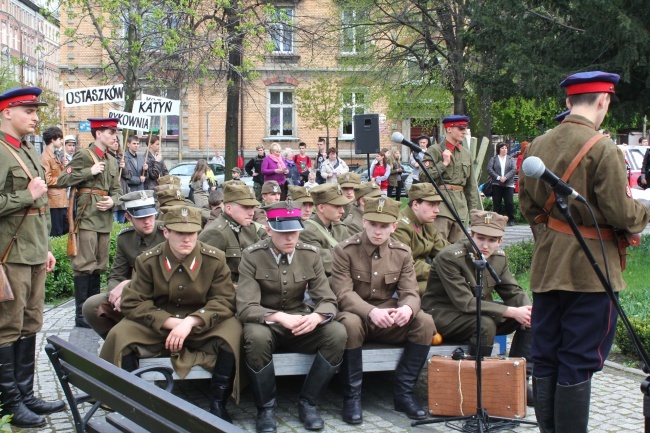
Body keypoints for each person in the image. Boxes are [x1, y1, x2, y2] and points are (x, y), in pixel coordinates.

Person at [519, 71, 650, 433]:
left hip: (547, 268)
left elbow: (528, 207)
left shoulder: (538, 145)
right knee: (578, 360)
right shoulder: (601, 147)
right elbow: (621, 213)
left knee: (546, 358)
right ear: (603, 101)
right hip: (591, 273)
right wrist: (644, 212)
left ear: (568, 102)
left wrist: (552, 237)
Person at [99, 205, 242, 422]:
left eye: (191, 233)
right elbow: (133, 302)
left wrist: (190, 322)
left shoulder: (214, 258)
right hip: (160, 323)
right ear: (166, 232)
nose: (187, 239)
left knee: (232, 331)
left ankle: (218, 402)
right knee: (120, 335)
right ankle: (133, 402)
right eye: (180, 233)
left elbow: (224, 300)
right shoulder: (148, 260)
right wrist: (169, 322)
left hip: (200, 324)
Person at [237, 201, 347, 432]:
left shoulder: (310, 255)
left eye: (294, 232)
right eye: (283, 232)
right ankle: (265, 409)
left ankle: (309, 403)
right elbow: (246, 307)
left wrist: (317, 317)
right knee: (255, 336)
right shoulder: (252, 256)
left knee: (336, 332)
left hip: (300, 321)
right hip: (267, 322)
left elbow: (327, 299)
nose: (290, 238)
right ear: (269, 230)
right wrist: (278, 317)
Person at [331, 197, 435, 423]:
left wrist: (407, 309)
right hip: (357, 316)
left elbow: (410, 291)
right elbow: (343, 294)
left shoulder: (402, 252)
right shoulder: (344, 250)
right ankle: (352, 397)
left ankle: (404, 394)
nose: (378, 231)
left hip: (388, 318)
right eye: (374, 224)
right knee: (348, 323)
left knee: (424, 322)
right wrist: (371, 312)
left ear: (394, 227)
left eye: (385, 226)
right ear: (364, 222)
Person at [0, 87, 65, 428]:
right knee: (8, 328)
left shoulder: (25, 149)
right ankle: (10, 403)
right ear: (7, 112)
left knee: (30, 325)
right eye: (28, 110)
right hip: (9, 257)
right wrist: (26, 195)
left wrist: (45, 248)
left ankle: (26, 395)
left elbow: (36, 210)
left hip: (33, 254)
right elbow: (25, 200)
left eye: (35, 110)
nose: (36, 116)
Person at [422, 210, 533, 402]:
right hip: (442, 315)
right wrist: (513, 311)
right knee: (486, 324)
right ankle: (475, 385)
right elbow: (465, 302)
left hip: (477, 313)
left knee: (530, 318)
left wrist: (527, 311)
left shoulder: (498, 258)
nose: (485, 245)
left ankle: (519, 381)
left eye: (492, 240)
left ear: (500, 241)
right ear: (470, 235)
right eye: (480, 238)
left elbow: (513, 291)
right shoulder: (450, 257)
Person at [58, 118, 123, 328]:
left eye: (115, 132)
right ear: (98, 134)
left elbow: (117, 190)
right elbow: (62, 180)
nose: (114, 136)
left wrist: (113, 200)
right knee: (84, 265)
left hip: (104, 219)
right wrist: (89, 172)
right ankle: (81, 315)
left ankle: (93, 311)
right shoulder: (84, 155)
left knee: (99, 265)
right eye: (109, 132)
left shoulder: (112, 161)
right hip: (86, 218)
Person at [82, 190, 165, 339]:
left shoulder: (167, 234)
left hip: (165, 294)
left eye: (150, 215)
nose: (147, 221)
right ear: (128, 217)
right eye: (141, 217)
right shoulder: (125, 238)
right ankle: (117, 342)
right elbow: (116, 275)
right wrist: (117, 296)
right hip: (136, 295)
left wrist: (129, 285)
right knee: (92, 306)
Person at [420, 115, 479, 243]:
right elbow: (423, 177)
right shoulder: (434, 150)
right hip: (441, 206)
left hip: (460, 208)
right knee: (438, 247)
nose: (464, 131)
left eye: (465, 128)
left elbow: (471, 186)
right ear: (449, 129)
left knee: (458, 251)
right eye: (460, 128)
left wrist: (474, 212)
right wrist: (444, 164)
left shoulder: (466, 153)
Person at [198, 183, 266, 283]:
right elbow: (205, 277)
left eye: (253, 207)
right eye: (246, 207)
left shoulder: (250, 227)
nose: (251, 213)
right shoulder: (216, 233)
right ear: (229, 209)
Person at [392, 183, 448, 294]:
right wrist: (439, 271)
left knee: (458, 284)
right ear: (416, 204)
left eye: (437, 205)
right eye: (432, 205)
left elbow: (442, 249)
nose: (437, 210)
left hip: (420, 276)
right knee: (448, 289)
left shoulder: (426, 223)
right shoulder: (401, 226)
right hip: (402, 281)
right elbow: (406, 266)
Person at [299, 183, 351, 277]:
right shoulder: (307, 232)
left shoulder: (340, 227)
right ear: (321, 208)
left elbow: (354, 253)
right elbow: (329, 265)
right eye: (337, 206)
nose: (342, 211)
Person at [41, 126, 69, 237]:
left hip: (61, 200)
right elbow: (46, 179)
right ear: (53, 139)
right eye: (60, 138)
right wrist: (62, 180)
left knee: (64, 231)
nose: (62, 141)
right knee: (56, 233)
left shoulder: (54, 156)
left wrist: (62, 167)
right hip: (54, 202)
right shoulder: (45, 157)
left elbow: (57, 174)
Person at [487, 142, 517, 225]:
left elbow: (514, 169)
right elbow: (489, 169)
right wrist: (498, 177)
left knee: (509, 202)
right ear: (498, 149)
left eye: (506, 148)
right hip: (497, 184)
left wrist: (505, 177)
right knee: (497, 203)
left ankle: (511, 219)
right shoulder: (494, 159)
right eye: (502, 148)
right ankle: (497, 220)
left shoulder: (511, 159)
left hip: (508, 184)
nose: (504, 150)